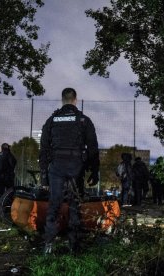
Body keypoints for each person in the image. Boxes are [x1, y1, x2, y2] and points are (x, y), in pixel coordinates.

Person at [39, 87, 100, 255]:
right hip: (76, 168)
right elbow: (93, 148)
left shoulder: (51, 120)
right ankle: (74, 246)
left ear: (62, 100)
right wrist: (95, 172)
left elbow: (43, 149)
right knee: (75, 206)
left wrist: (44, 176)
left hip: (56, 168)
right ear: (75, 100)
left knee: (54, 205)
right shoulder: (83, 120)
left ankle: (49, 245)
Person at [0, 143, 17, 208]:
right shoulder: (8, 154)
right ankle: (9, 207)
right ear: (8, 148)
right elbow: (13, 163)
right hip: (8, 177)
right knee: (10, 192)